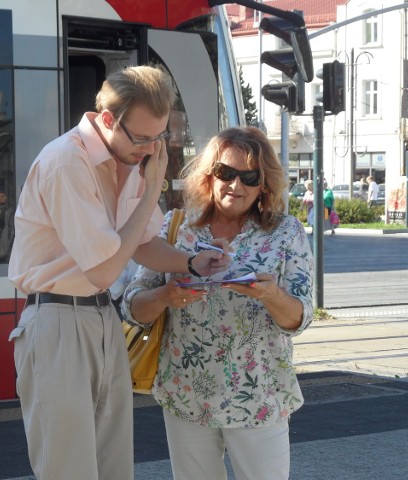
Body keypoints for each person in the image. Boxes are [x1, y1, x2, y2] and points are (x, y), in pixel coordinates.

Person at [7, 65, 231, 480]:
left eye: (158, 137)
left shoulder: (123, 159)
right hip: (57, 317)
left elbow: (141, 243)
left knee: (113, 469)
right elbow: (105, 268)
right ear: (108, 119)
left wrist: (190, 262)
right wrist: (150, 191)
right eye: (142, 138)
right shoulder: (66, 162)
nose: (149, 149)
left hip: (100, 318)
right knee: (68, 470)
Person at [121, 127, 314, 480]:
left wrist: (271, 295)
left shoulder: (286, 232)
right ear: (209, 175)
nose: (234, 185)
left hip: (258, 394)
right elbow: (132, 306)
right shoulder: (176, 227)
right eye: (226, 172)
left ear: (264, 184)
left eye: (249, 176)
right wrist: (166, 296)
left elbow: (300, 318)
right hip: (186, 393)